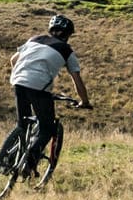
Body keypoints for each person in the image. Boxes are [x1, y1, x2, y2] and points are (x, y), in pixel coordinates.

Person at [9, 14, 91, 168]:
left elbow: (13, 60)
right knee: (47, 128)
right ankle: (29, 162)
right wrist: (84, 101)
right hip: (39, 86)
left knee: (23, 124)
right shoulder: (66, 50)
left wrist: (22, 76)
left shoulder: (34, 39)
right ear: (68, 35)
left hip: (18, 81)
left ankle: (10, 160)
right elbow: (77, 79)